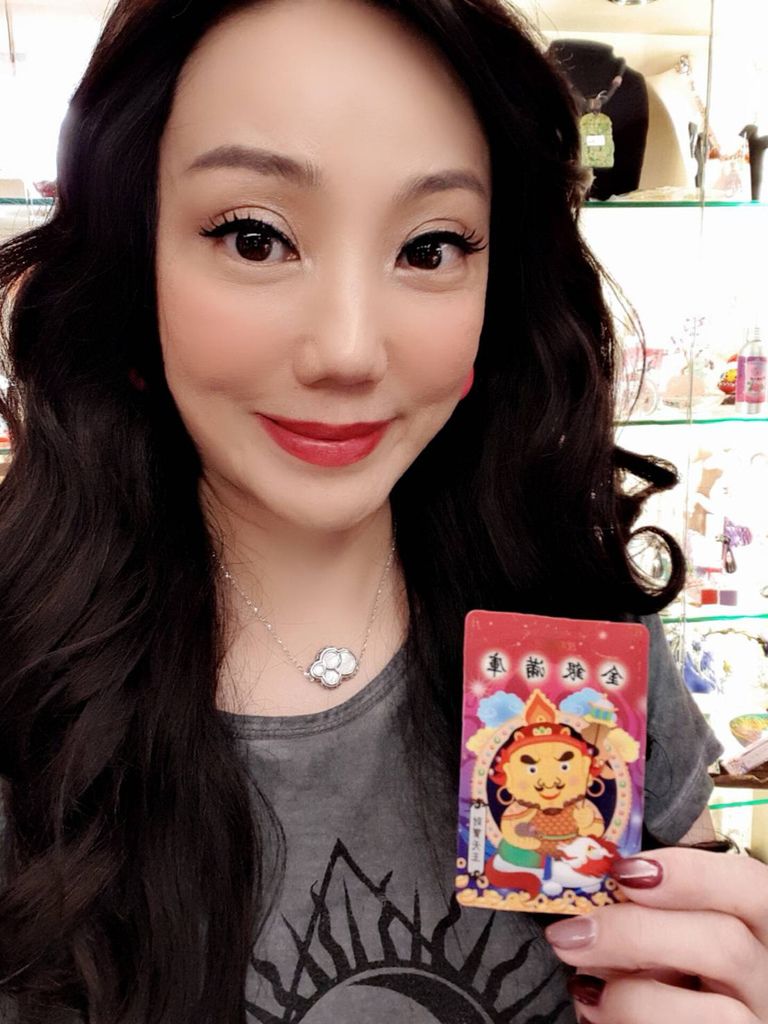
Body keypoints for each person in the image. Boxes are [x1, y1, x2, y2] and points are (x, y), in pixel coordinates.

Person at [0, 1, 766, 1022]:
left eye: (432, 247)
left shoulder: (572, 627)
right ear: (133, 265)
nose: (350, 350)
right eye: (256, 238)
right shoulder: (24, 682)